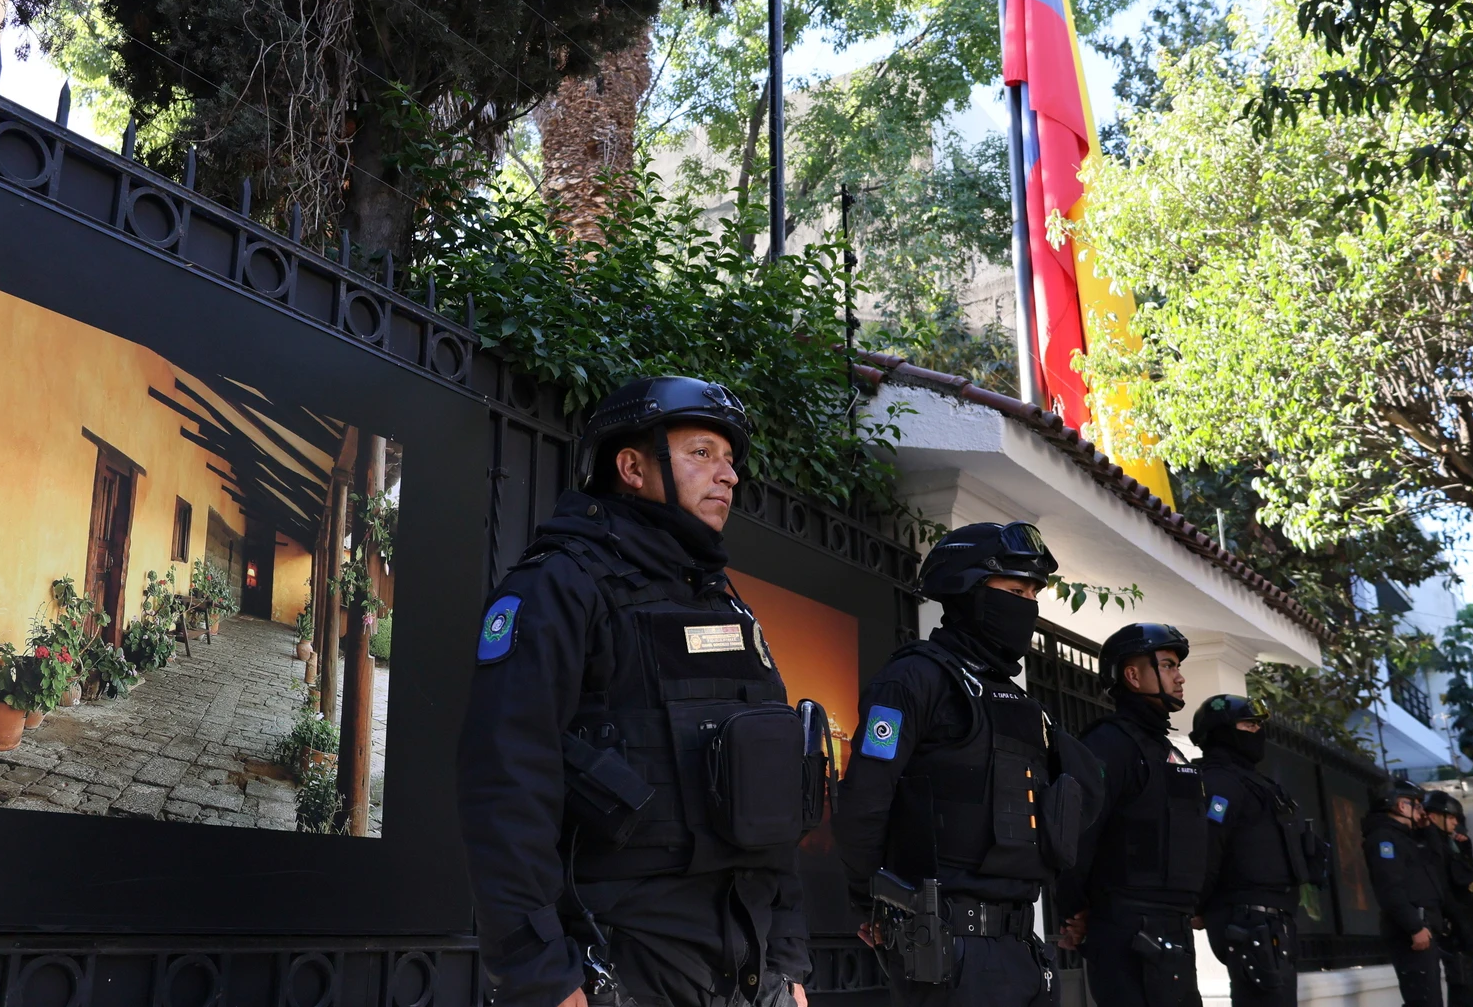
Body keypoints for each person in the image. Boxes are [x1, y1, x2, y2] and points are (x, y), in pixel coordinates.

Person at [457, 377, 812, 1007]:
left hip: (752, 974)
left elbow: (774, 790)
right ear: (632, 466)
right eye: (702, 453)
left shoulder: (725, 602)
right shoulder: (560, 585)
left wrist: (787, 962)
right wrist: (539, 974)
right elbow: (504, 785)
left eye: (730, 460)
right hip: (624, 965)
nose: (727, 475)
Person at [832, 522, 1101, 1006]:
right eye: (1016, 590)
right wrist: (870, 899)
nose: (1028, 605)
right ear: (968, 589)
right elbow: (864, 801)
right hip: (948, 947)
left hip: (1024, 949)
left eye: (1034, 593)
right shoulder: (914, 678)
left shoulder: (1022, 703)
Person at [1061, 624, 1207, 1007]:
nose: (1180, 676)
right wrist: (1074, 910)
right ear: (1132, 674)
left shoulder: (1168, 751)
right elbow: (1078, 832)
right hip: (1126, 928)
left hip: (1171, 928)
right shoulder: (1110, 743)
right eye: (1168, 665)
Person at [1191, 695, 1325, 1007]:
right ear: (1221, 731)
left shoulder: (1254, 782)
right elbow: (1209, 846)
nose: (1257, 731)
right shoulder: (1219, 782)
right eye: (1248, 724)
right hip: (1249, 920)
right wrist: (1197, 904)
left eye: (1258, 725)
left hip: (1271, 919)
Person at [1363, 781, 1446, 1007]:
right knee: (1423, 1001)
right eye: (1416, 805)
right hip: (1411, 931)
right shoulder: (1384, 839)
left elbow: (1438, 864)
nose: (1421, 811)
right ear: (1401, 806)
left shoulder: (1405, 838)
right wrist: (1414, 926)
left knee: (1430, 1000)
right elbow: (1389, 887)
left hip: (1423, 928)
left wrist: (1428, 829)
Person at [1422, 790, 1473, 1007]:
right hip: (1452, 927)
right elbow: (1443, 889)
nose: (1455, 822)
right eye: (1450, 817)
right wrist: (1462, 925)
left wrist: (1465, 849)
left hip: (1462, 926)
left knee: (1468, 991)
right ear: (1433, 816)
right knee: (1462, 989)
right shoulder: (1431, 845)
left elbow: (1465, 877)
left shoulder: (1449, 844)